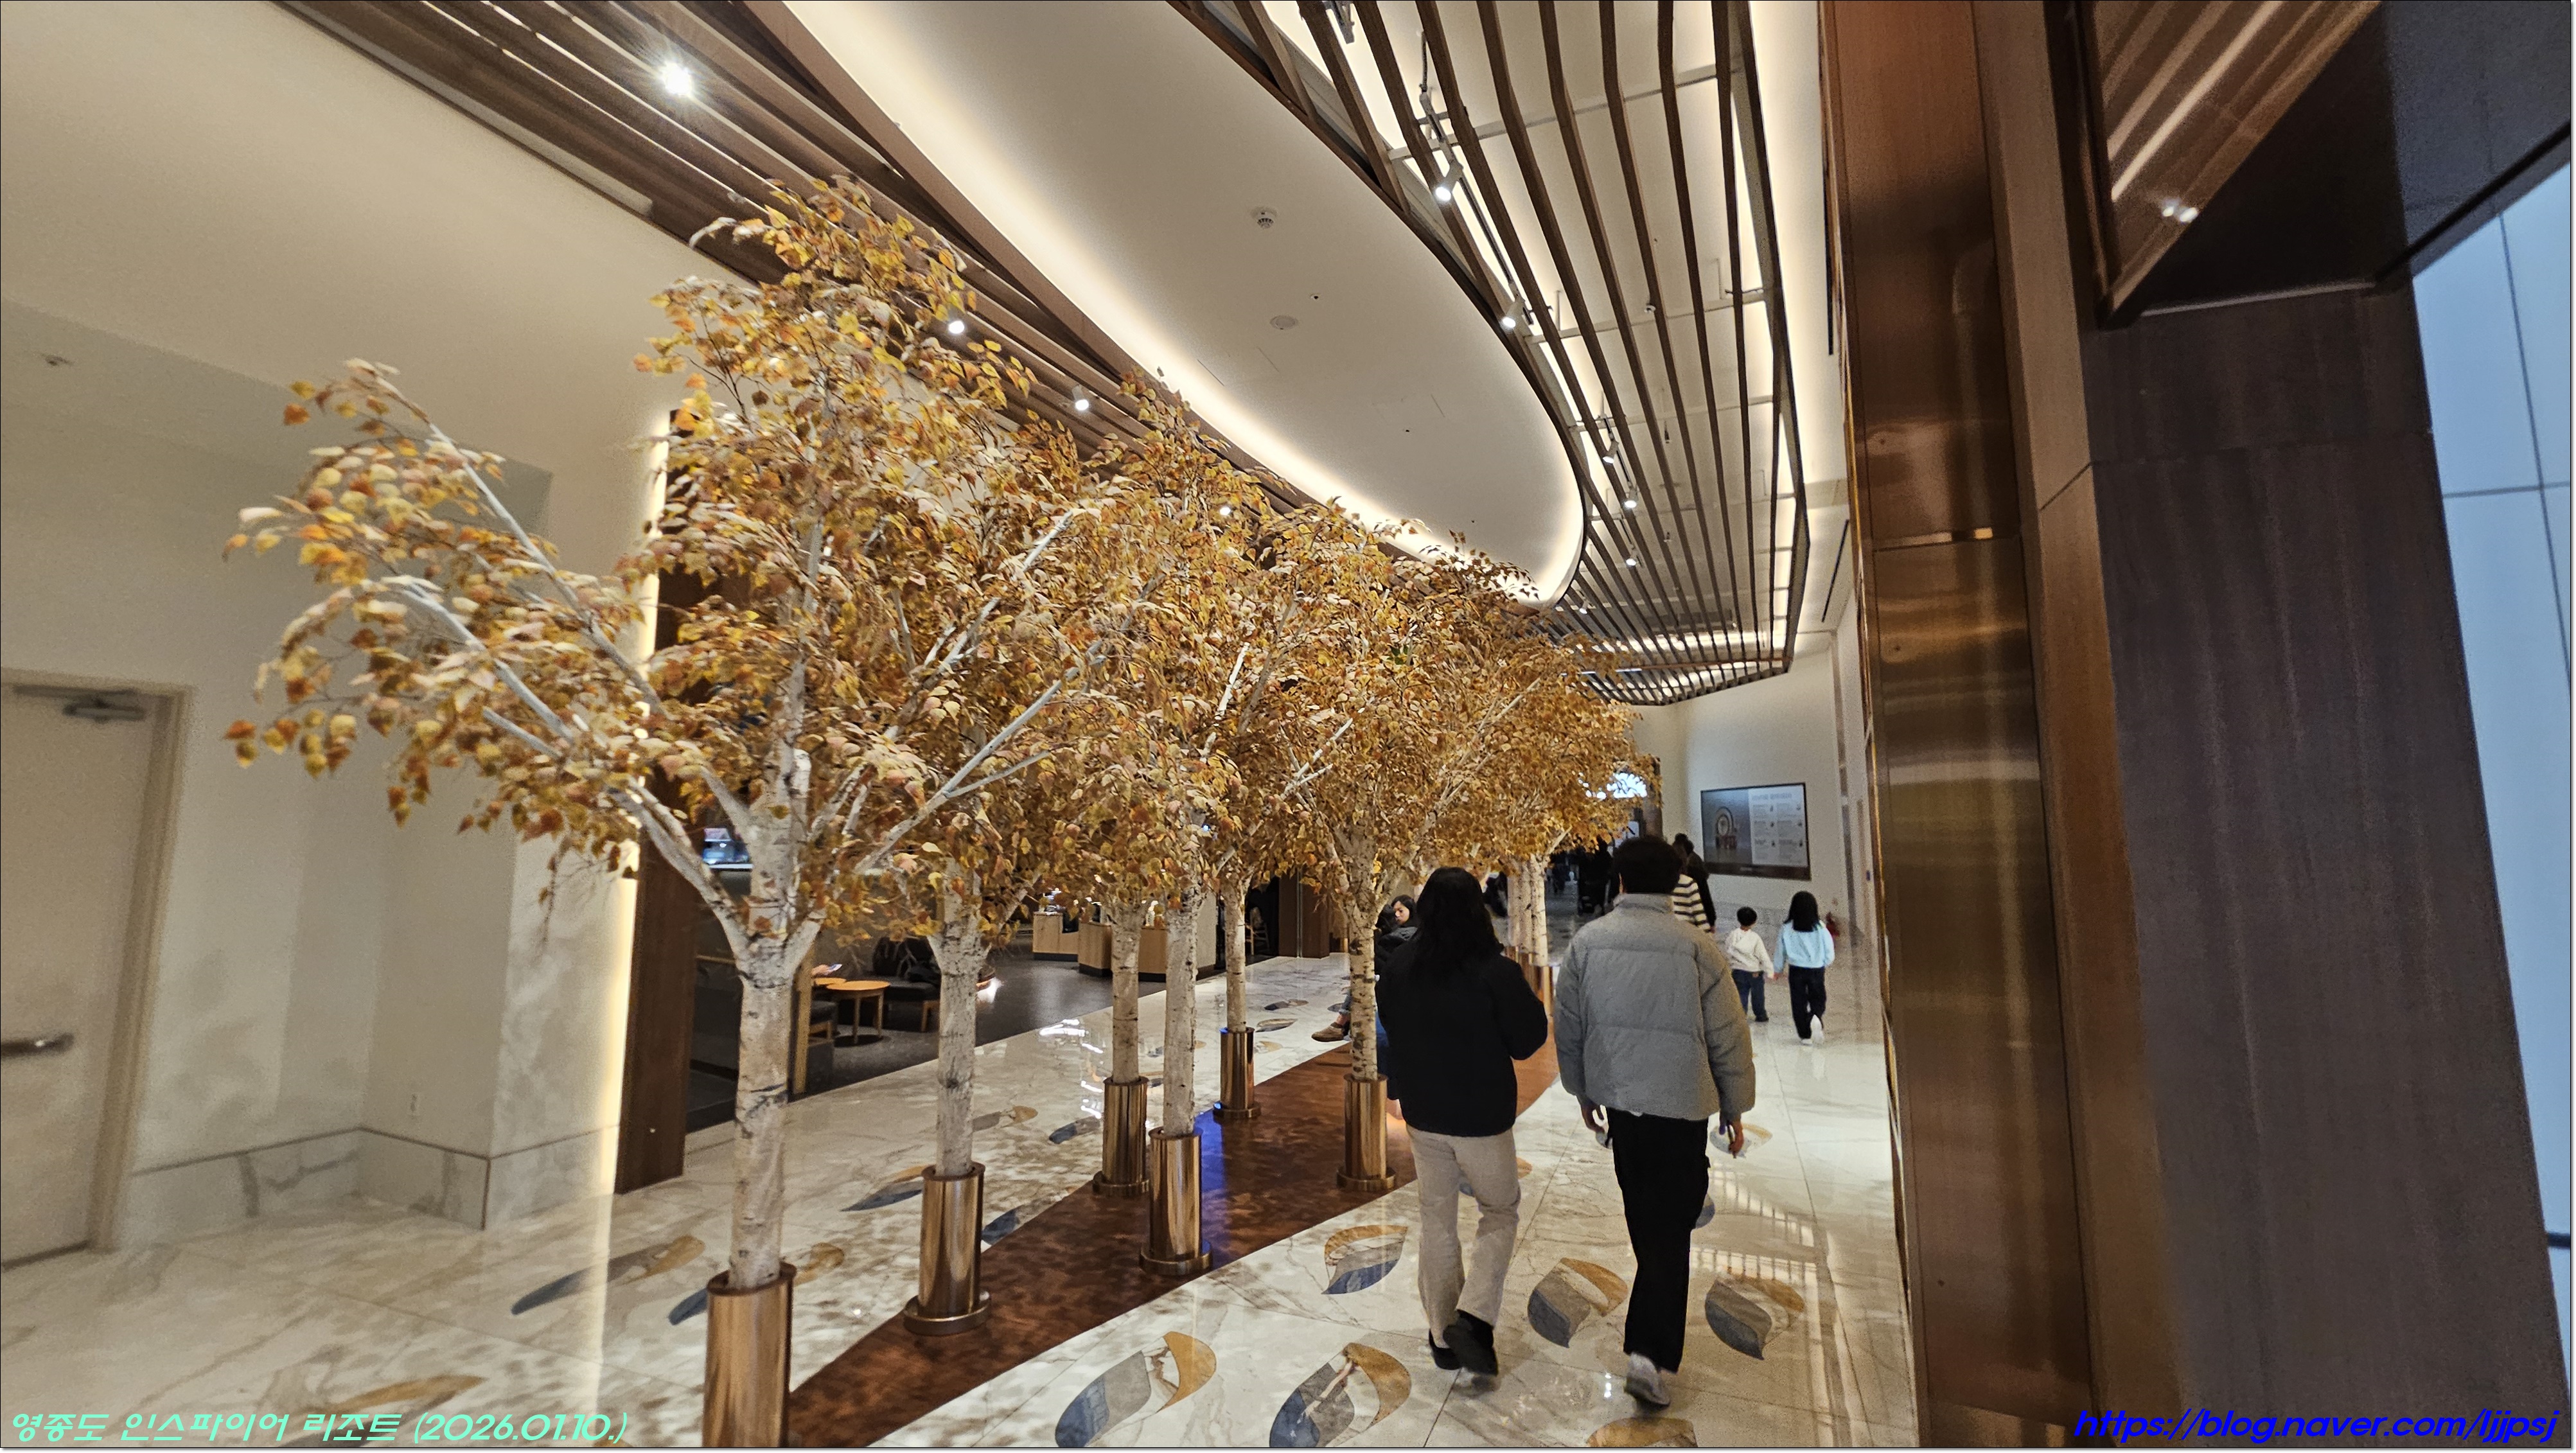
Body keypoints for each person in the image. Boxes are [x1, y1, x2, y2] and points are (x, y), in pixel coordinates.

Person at [1554, 834, 1755, 1409]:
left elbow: (1569, 1025)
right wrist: (1735, 1107)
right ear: (1675, 885)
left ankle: (1648, 1342)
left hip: (1624, 1107)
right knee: (1668, 1225)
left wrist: (1582, 1091)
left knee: (1647, 1216)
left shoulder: (1589, 943)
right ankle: (1648, 1352)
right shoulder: (1697, 947)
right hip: (1682, 1108)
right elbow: (1729, 1035)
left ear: (1619, 881)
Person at [1378, 867, 1549, 1376]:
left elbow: (1391, 1029)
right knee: (1499, 1210)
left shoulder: (1399, 966)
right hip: (1481, 1115)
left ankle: (1441, 1334)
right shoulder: (1493, 971)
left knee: (1437, 1216)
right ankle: (1473, 1318)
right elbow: (1528, 1039)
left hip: (1424, 1111)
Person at [1313, 895, 1415, 1042]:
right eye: (1395, 912)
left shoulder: (1403, 935)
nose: (1397, 915)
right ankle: (1345, 1024)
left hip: (1404, 981)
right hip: (1399, 978)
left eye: (1401, 911)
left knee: (1365, 979)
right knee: (1365, 978)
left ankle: (1341, 1023)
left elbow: (1385, 965)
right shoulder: (1397, 933)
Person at [1778, 890, 1836, 1046]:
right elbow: (1829, 949)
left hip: (1796, 969)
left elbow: (1780, 951)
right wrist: (1826, 962)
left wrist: (1778, 969)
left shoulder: (1787, 928)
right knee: (1818, 997)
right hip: (1816, 969)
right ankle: (1815, 1016)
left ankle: (1805, 1035)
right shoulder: (1820, 928)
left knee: (1798, 1002)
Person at [1723, 906, 1773, 1023]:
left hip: (1738, 971)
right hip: (1755, 972)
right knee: (1758, 995)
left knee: (1741, 994)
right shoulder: (1755, 938)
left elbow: (1727, 951)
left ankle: (1741, 1016)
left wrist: (1729, 965)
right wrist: (1770, 971)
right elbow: (1763, 956)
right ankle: (1761, 1015)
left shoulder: (1733, 935)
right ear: (1754, 922)